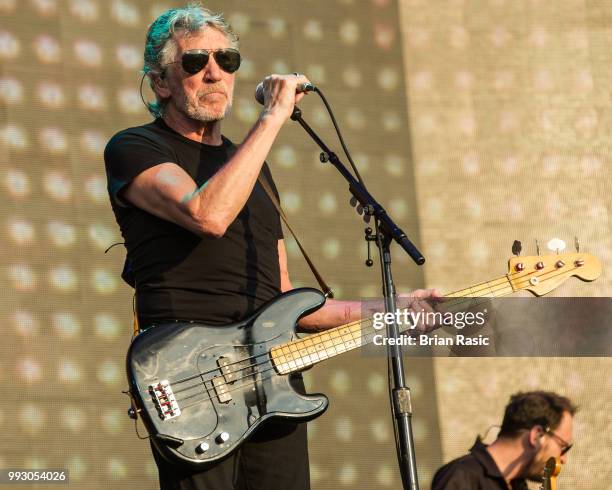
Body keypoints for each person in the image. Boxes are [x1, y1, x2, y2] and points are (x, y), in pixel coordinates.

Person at [104, 3, 439, 490]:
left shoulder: (254, 171)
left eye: (228, 61)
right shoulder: (135, 147)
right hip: (190, 383)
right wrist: (274, 115)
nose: (214, 73)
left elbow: (286, 300)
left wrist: (392, 309)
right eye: (196, 62)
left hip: (270, 390)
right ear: (160, 83)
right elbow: (208, 215)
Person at [432, 391, 577, 490]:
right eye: (562, 446)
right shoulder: (462, 476)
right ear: (537, 435)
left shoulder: (517, 484)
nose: (563, 459)